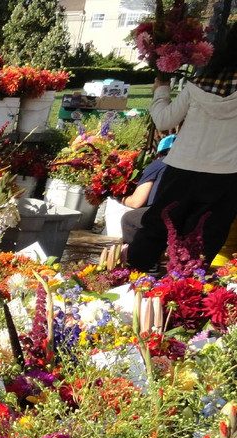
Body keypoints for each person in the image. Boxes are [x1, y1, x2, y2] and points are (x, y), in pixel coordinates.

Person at [126, 22, 237, 273]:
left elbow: (164, 120)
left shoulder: (198, 85)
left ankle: (136, 277)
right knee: (205, 236)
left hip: (182, 168)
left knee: (158, 225)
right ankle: (183, 289)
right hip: (226, 175)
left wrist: (161, 90)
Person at [119, 134, 175, 248]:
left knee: (129, 219)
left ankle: (133, 261)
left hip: (167, 214)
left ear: (159, 152)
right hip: (191, 213)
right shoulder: (192, 167)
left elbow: (137, 202)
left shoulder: (159, 163)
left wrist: (120, 198)